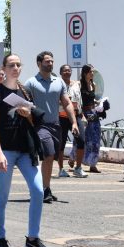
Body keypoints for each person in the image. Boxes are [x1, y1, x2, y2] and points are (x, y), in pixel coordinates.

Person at [0, 54, 52, 247]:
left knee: (38, 190)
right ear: (4, 68)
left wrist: (28, 114)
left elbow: (33, 121)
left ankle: (32, 239)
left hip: (25, 149)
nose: (15, 68)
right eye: (11, 65)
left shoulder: (25, 92)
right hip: (5, 149)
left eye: (18, 65)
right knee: (2, 195)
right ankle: (0, 239)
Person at [23, 51, 79, 203]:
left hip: (56, 125)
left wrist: (74, 122)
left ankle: (45, 188)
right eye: (47, 61)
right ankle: (43, 190)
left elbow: (67, 103)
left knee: (51, 157)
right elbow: (24, 105)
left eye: (52, 61)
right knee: (48, 154)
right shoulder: (31, 83)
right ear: (39, 63)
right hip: (39, 126)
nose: (50, 63)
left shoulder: (58, 82)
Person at [58, 65, 88, 178]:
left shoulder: (76, 84)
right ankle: (61, 169)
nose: (67, 72)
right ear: (61, 73)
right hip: (61, 116)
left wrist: (82, 113)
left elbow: (79, 99)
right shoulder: (58, 85)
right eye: (65, 71)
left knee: (81, 140)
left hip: (76, 116)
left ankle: (78, 168)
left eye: (69, 70)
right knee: (61, 143)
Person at [80, 64, 102, 174]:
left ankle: (93, 164)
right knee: (84, 138)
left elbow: (92, 100)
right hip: (84, 113)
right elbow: (79, 101)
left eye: (93, 72)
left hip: (93, 113)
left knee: (96, 139)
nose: (92, 74)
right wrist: (81, 115)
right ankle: (73, 158)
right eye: (90, 72)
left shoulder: (93, 84)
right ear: (85, 73)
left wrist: (100, 103)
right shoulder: (80, 85)